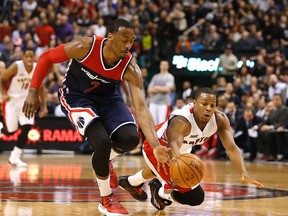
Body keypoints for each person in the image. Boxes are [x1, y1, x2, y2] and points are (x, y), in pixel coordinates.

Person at [22, 19, 170, 216]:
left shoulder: (130, 68)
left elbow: (141, 108)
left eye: (131, 41)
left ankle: (104, 159)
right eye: (124, 39)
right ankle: (106, 199)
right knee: (102, 142)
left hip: (108, 99)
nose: (128, 45)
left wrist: (156, 144)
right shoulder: (85, 47)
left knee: (131, 138)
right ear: (110, 37)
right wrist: (33, 91)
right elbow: (46, 57)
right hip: (76, 97)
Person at [118, 87, 264, 211]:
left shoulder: (220, 119)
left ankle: (132, 182)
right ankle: (162, 192)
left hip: (184, 148)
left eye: (212, 105)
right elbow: (173, 145)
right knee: (195, 197)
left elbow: (231, 148)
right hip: (159, 146)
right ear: (194, 103)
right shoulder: (182, 121)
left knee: (165, 174)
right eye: (204, 104)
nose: (208, 108)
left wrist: (243, 172)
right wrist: (174, 174)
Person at [0, 48, 47, 167]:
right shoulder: (16, 66)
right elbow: (2, 79)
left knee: (27, 126)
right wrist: (3, 93)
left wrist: (44, 107)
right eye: (27, 56)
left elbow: (41, 89)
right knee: (11, 131)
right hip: (12, 100)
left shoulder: (38, 68)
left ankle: (15, 156)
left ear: (35, 57)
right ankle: (1, 129)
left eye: (32, 56)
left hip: (27, 101)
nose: (29, 59)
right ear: (23, 57)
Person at [148, 60, 175, 125]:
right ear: (160, 66)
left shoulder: (170, 76)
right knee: (152, 123)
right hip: (153, 102)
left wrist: (156, 87)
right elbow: (149, 90)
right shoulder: (155, 76)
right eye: (162, 64)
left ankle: (160, 135)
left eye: (165, 65)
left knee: (162, 123)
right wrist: (161, 88)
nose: (163, 66)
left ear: (168, 66)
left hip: (163, 103)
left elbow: (167, 89)